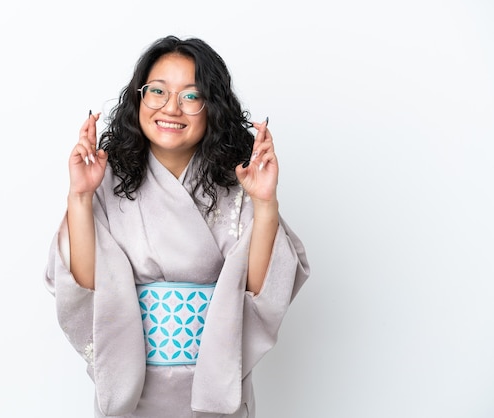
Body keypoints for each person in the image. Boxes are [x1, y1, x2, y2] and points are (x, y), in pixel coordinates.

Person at [44, 35, 310, 418]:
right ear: (139, 98)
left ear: (211, 107)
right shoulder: (105, 181)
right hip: (133, 385)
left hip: (214, 381)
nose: (171, 108)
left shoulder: (240, 186)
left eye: (191, 96)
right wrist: (80, 196)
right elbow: (85, 288)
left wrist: (265, 203)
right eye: (157, 91)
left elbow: (261, 291)